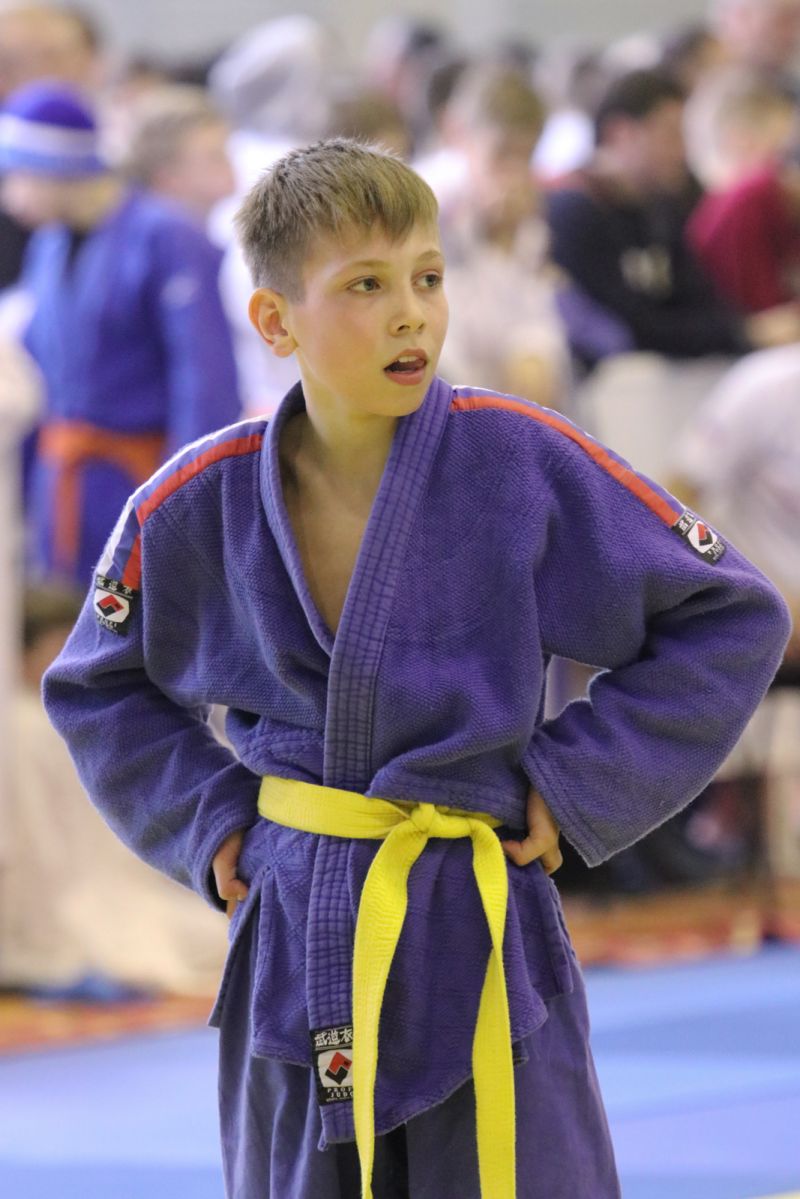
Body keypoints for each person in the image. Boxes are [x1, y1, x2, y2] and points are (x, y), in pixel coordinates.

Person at [43, 139, 790, 1199]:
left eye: (427, 278)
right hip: (296, 918)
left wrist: (577, 781)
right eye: (366, 286)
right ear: (275, 321)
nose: (411, 315)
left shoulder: (520, 461)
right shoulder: (195, 500)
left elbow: (728, 613)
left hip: (475, 910)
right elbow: (95, 683)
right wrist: (207, 819)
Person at [0, 81, 241, 584]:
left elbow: (204, 381)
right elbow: (35, 380)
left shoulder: (166, 236)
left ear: (55, 168)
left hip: (142, 482)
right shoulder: (48, 245)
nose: (8, 196)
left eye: (15, 176)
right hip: (66, 487)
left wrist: (186, 504)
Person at [546, 67, 800, 367]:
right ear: (620, 133)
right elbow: (629, 328)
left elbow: (700, 299)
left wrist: (742, 332)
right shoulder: (573, 211)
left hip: (673, 370)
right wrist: (744, 334)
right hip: (608, 377)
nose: (681, 152)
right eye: (670, 135)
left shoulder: (666, 204)